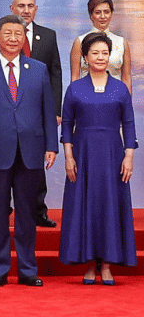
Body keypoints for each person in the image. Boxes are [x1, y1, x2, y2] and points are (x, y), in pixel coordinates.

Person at [0, 15, 58, 288]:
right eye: (8, 33)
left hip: (31, 150)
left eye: (19, 34)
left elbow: (47, 110)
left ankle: (28, 269)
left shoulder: (38, 69)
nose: (14, 38)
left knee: (27, 213)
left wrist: (51, 146)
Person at [60, 32, 137, 285]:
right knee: (86, 206)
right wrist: (68, 158)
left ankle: (106, 265)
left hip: (113, 154)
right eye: (95, 53)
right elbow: (67, 125)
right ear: (85, 57)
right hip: (82, 154)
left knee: (109, 206)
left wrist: (129, 157)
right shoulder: (74, 88)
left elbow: (129, 124)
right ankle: (89, 265)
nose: (101, 57)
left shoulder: (120, 89)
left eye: (105, 53)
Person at [0, 0, 62, 228]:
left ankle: (38, 210)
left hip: (37, 113)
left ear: (36, 9)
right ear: (12, 8)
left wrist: (55, 110)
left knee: (34, 164)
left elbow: (55, 74)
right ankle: (4, 209)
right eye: (21, 6)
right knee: (5, 163)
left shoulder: (48, 36)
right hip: (6, 112)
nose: (26, 10)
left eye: (30, 6)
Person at [69, 0, 132, 94]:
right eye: (98, 12)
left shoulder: (122, 42)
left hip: (115, 98)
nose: (103, 16)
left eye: (106, 12)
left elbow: (126, 78)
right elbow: (75, 77)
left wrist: (127, 105)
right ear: (91, 15)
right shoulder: (80, 42)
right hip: (87, 97)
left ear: (111, 14)